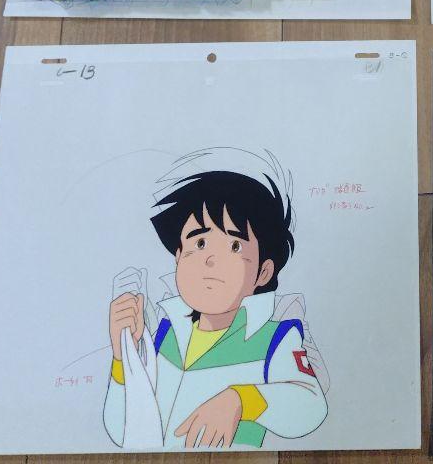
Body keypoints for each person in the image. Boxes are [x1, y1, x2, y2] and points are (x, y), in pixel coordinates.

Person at [104, 159, 328, 449]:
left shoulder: (273, 339)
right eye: (199, 243)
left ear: (263, 272)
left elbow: (310, 406)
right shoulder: (164, 333)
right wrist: (124, 357)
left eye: (234, 246)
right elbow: (121, 430)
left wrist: (242, 399)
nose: (210, 259)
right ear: (178, 257)